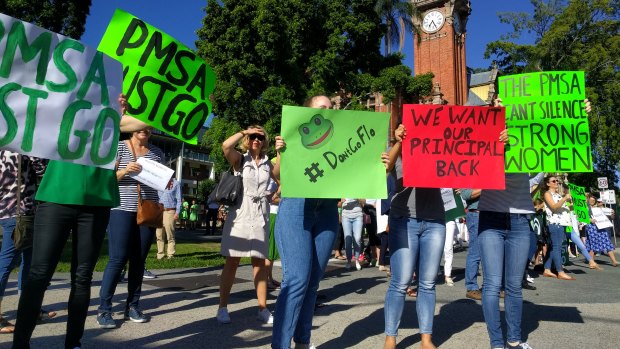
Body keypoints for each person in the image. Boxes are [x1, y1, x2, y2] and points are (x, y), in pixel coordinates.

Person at [11, 96, 139, 349]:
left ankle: (73, 343)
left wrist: (119, 111)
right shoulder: (66, 112)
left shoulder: (114, 121)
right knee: (38, 275)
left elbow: (144, 122)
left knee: (82, 278)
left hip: (96, 202)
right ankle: (20, 344)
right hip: (57, 196)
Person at [272, 95, 340, 349]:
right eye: (322, 107)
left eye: (331, 108)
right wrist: (281, 154)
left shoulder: (340, 137)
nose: (328, 111)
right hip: (296, 206)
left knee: (312, 282)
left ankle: (302, 341)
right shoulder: (294, 135)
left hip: (327, 210)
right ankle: (280, 345)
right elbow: (277, 175)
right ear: (307, 112)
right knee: (297, 279)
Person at [382, 124, 446, 349]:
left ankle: (426, 339)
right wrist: (398, 143)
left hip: (435, 221)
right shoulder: (397, 149)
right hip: (404, 220)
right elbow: (384, 169)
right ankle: (391, 337)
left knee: (427, 283)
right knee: (400, 282)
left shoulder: (440, 147)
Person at [97, 126, 164, 328]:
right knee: (117, 259)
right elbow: (105, 179)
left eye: (148, 126)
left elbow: (159, 183)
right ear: (132, 129)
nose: (144, 129)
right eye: (139, 126)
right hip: (121, 208)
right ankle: (104, 309)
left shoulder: (158, 153)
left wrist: (166, 183)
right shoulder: (118, 148)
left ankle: (132, 306)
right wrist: (126, 170)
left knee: (139, 262)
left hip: (147, 210)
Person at [216, 125, 282, 325]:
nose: (256, 140)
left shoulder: (266, 163)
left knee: (259, 263)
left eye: (260, 137)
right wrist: (243, 132)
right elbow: (226, 146)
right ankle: (222, 307)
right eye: (253, 136)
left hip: (261, 213)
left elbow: (279, 176)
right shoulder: (240, 159)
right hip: (241, 213)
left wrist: (280, 153)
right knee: (233, 261)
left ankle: (262, 307)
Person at [0, 152, 55, 334]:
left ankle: (30, 308)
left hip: (8, 209)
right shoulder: (26, 146)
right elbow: (44, 170)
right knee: (6, 263)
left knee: (28, 261)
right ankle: (29, 309)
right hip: (20, 211)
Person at [540, 175, 577, 280]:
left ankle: (547, 269)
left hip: (562, 223)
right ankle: (560, 271)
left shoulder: (558, 195)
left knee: (553, 248)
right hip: (555, 224)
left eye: (557, 181)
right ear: (548, 184)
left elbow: (564, 207)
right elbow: (554, 207)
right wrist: (565, 198)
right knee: (557, 248)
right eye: (553, 181)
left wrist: (573, 204)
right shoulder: (547, 194)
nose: (556, 182)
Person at [459, 188, 482, 300]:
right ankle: (472, 287)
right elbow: (466, 194)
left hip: (492, 214)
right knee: (475, 252)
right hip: (476, 215)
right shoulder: (472, 172)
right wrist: (490, 185)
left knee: (492, 254)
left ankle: (491, 287)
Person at [585, 196, 618, 266]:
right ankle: (592, 262)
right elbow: (581, 218)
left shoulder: (599, 209)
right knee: (593, 244)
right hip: (591, 228)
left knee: (607, 242)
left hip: (601, 227)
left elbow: (611, 217)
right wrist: (590, 220)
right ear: (588, 200)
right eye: (591, 200)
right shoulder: (585, 208)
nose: (592, 202)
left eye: (593, 201)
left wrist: (612, 214)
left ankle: (614, 261)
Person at [156, 177, 181, 260]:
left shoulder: (176, 184)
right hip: (160, 211)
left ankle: (170, 255)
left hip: (170, 211)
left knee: (170, 234)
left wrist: (177, 212)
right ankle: (160, 255)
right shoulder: (160, 182)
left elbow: (179, 199)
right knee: (159, 234)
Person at [341, 198, 365, 271]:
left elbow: (364, 202)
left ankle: (357, 259)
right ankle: (349, 260)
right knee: (348, 239)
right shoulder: (341, 188)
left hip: (358, 215)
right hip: (346, 216)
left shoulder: (357, 188)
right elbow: (338, 205)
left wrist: (357, 198)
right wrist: (341, 202)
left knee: (357, 238)